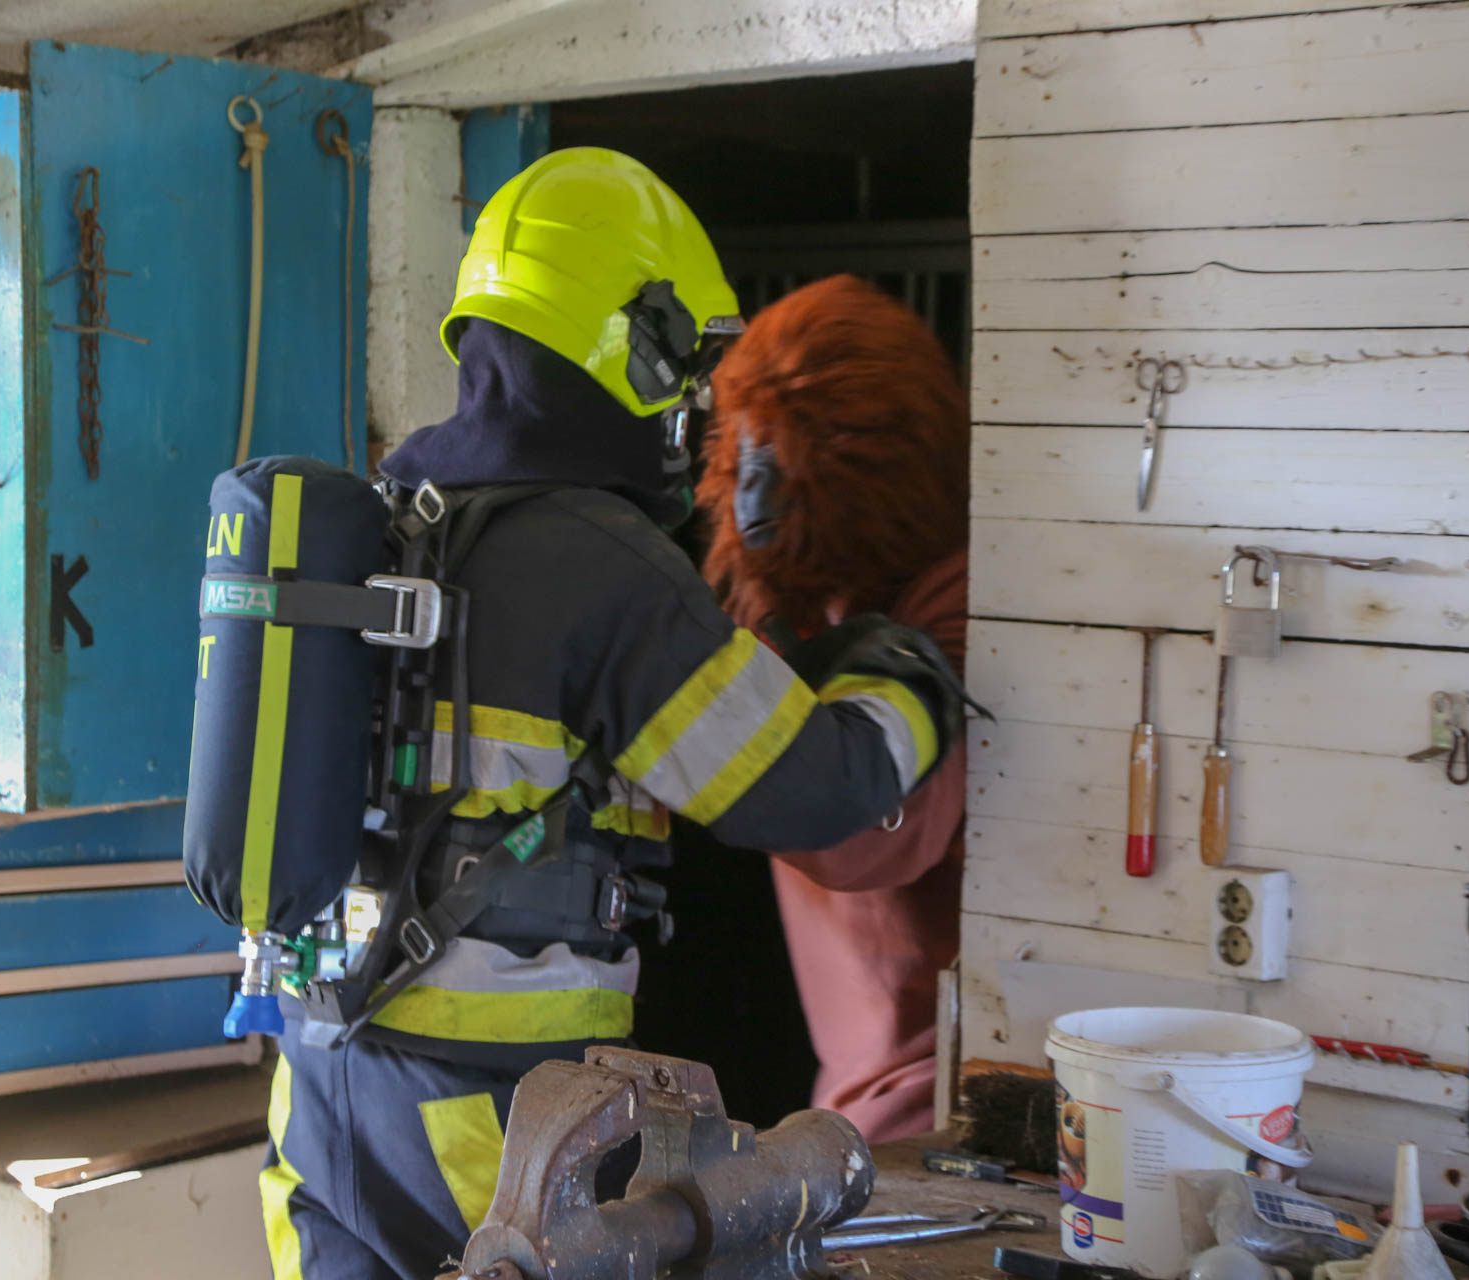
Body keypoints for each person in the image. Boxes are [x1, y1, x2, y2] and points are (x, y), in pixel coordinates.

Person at [258, 152, 971, 1280]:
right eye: (688, 360)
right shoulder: (600, 561)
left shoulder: (388, 520)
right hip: (494, 1115)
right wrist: (907, 676)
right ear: (635, 344)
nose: (694, 399)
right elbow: (812, 788)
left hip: (318, 1093)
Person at [695, 274, 973, 1144]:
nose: (752, 496)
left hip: (945, 1103)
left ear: (870, 461)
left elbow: (864, 835)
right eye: (744, 455)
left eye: (781, 457)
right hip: (848, 1102)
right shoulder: (803, 614)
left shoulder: (958, 606)